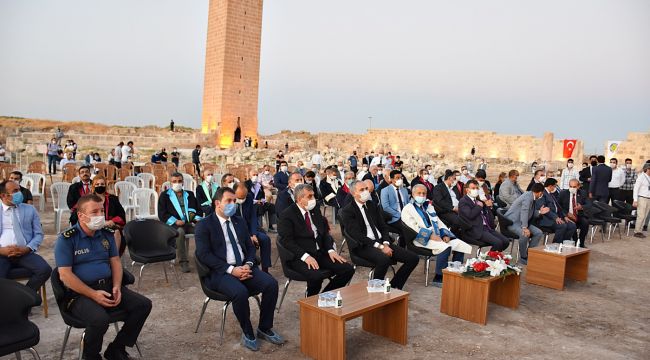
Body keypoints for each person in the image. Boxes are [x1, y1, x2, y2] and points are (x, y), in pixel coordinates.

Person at [54, 194, 152, 360]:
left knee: (143, 305)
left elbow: (115, 261)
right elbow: (65, 275)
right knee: (100, 320)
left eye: (101, 211)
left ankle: (116, 349)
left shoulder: (106, 233)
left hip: (107, 286)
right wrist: (93, 295)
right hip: (80, 294)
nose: (100, 216)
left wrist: (116, 286)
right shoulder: (67, 239)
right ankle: (90, 355)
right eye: (94, 212)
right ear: (81, 215)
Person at [195, 187, 284, 351]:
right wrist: (231, 270)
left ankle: (264, 328)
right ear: (217, 203)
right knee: (240, 292)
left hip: (243, 267)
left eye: (234, 201)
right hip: (219, 273)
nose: (233, 204)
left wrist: (248, 265)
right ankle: (248, 332)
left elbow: (250, 248)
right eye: (228, 201)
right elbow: (204, 255)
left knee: (271, 284)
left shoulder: (239, 221)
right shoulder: (204, 225)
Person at [339, 180, 419, 289]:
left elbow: (383, 226)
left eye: (366, 189)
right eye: (361, 190)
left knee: (413, 258)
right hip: (363, 245)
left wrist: (385, 243)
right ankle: (375, 289)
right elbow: (357, 235)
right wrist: (380, 247)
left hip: (381, 242)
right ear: (353, 193)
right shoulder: (348, 211)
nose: (365, 192)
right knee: (384, 259)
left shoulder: (372, 205)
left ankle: (395, 286)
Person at [278, 184, 354, 296]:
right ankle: (310, 301)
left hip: (319, 253)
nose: (313, 199)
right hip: (299, 256)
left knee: (348, 269)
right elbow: (287, 241)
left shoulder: (315, 209)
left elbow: (324, 233)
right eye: (309, 196)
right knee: (316, 277)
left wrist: (330, 250)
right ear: (299, 199)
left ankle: (325, 296)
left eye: (313, 195)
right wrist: (306, 257)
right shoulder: (287, 215)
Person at [401, 184, 471, 287]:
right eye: (419, 193)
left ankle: (454, 272)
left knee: (459, 244)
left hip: (437, 235)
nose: (422, 195)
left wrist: (445, 234)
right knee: (445, 247)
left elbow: (438, 222)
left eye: (424, 193)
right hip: (420, 238)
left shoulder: (429, 206)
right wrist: (430, 236)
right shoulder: (408, 208)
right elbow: (413, 228)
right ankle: (438, 277)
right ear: (413, 194)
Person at [0, 180, 51, 291]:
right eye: (15, 191)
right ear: (3, 195)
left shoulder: (29, 209)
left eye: (20, 190)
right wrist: (1, 250)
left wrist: (27, 248)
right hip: (1, 254)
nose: (20, 193)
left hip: (24, 253)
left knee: (45, 270)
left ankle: (25, 299)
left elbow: (38, 234)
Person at [158, 172, 203, 273]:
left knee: (202, 230)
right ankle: (183, 261)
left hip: (188, 223)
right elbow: (162, 214)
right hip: (173, 225)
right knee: (180, 233)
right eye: (174, 181)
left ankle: (203, 258)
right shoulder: (165, 196)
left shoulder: (189, 194)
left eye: (179, 181)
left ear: (183, 182)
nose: (177, 183)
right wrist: (175, 221)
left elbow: (198, 209)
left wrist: (195, 218)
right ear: (170, 183)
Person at [458, 180, 509, 251]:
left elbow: (486, 214)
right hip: (475, 229)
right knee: (498, 243)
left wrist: (489, 207)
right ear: (467, 190)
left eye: (477, 188)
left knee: (506, 241)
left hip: (487, 227)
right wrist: (479, 206)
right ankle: (488, 258)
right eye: (473, 188)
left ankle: (491, 256)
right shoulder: (463, 201)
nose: (475, 190)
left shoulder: (478, 200)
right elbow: (470, 215)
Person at [233, 183, 272, 272]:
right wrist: (248, 236)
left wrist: (253, 234)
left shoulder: (249, 197)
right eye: (239, 198)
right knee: (250, 243)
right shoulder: (230, 201)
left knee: (265, 239)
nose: (242, 200)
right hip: (238, 231)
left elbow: (253, 216)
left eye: (244, 197)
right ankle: (253, 268)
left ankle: (265, 269)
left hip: (251, 228)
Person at [504, 183, 545, 264]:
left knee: (538, 232)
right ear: (540, 193)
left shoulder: (530, 195)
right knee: (524, 234)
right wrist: (525, 227)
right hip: (512, 222)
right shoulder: (528, 197)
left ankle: (530, 255)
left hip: (520, 221)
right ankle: (523, 257)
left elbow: (529, 212)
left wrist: (540, 212)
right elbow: (524, 211)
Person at [535, 178, 577, 242]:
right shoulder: (542, 194)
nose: (555, 188)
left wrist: (564, 216)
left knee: (572, 225)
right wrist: (556, 217)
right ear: (550, 186)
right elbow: (544, 210)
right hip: (546, 219)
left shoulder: (551, 194)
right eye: (555, 186)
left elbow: (559, 208)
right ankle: (556, 245)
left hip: (556, 217)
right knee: (562, 226)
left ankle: (564, 243)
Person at [559, 179, 589, 247]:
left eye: (574, 187)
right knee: (572, 225)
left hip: (579, 215)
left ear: (578, 186)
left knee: (585, 223)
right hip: (568, 216)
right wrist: (566, 213)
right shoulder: (563, 193)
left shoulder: (583, 193)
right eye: (570, 186)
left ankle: (581, 243)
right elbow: (559, 206)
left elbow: (589, 204)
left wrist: (581, 207)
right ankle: (575, 242)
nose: (572, 188)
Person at [632, 163, 650, 238]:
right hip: (642, 198)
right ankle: (637, 231)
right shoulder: (641, 177)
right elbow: (636, 189)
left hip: (649, 199)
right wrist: (635, 200)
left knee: (645, 216)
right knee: (641, 216)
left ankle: (640, 230)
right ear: (647, 169)